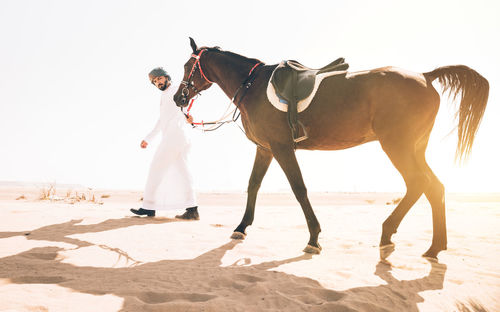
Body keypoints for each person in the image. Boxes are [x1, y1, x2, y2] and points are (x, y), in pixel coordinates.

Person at [130, 67, 199, 220]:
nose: (157, 82)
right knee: (183, 172)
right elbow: (162, 121)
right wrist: (148, 138)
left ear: (167, 77)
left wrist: (188, 115)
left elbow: (184, 102)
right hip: (178, 137)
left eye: (159, 78)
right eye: (154, 81)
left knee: (156, 168)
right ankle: (193, 210)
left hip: (175, 137)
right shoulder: (165, 95)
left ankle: (148, 207)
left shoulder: (175, 89)